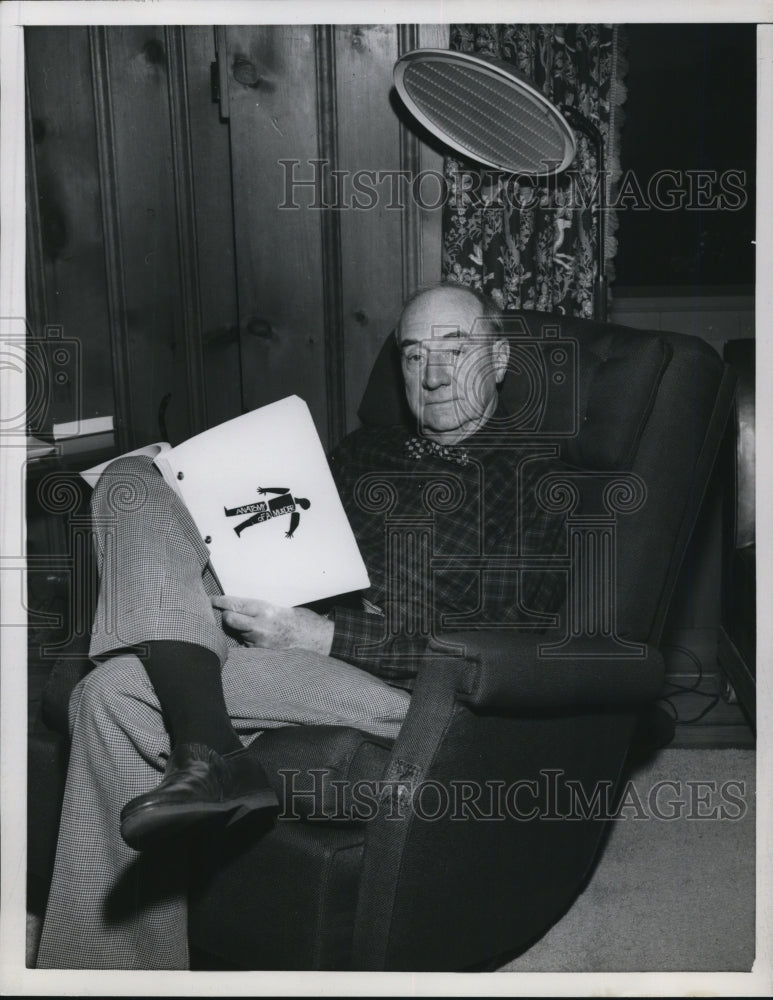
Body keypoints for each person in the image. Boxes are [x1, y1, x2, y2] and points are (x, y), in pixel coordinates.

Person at [35, 282, 567, 969]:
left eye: (454, 349)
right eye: (413, 355)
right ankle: (211, 750)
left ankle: (203, 759)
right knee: (134, 479)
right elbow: (284, 531)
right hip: (276, 629)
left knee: (110, 692)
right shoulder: (365, 449)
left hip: (396, 681)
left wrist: (321, 636)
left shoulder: (536, 481)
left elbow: (498, 649)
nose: (432, 375)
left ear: (498, 359)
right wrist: (204, 505)